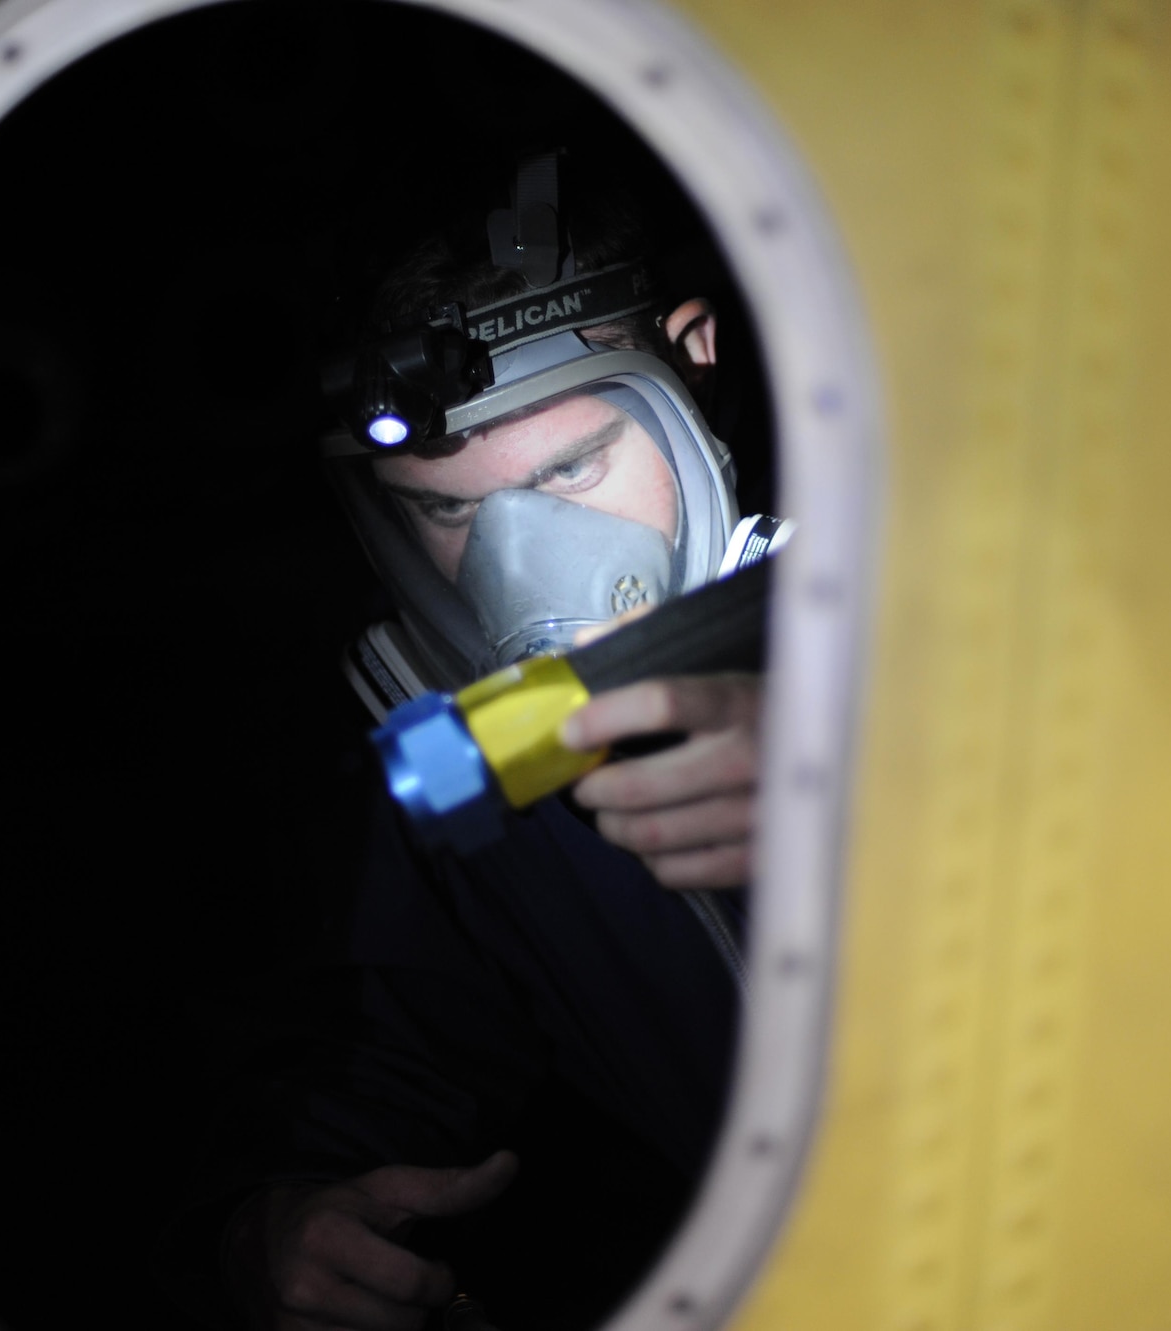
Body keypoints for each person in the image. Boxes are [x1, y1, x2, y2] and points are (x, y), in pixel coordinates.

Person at [175, 152, 787, 1331]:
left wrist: (883, 780)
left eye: (570, 467)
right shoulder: (468, 775)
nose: (519, 567)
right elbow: (385, 1049)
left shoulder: (946, 603)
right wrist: (277, 1218)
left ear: (691, 353)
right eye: (449, 512)